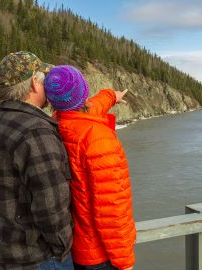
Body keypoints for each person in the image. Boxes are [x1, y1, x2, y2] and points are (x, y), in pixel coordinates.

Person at [0, 52, 74, 270]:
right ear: (35, 83)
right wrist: (63, 249)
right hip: (34, 258)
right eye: (43, 79)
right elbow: (51, 207)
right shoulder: (36, 132)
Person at [44, 65, 136, 270]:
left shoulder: (57, 124)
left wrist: (112, 95)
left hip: (76, 249)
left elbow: (93, 106)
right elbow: (111, 206)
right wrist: (124, 261)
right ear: (83, 94)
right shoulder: (97, 138)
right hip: (101, 256)